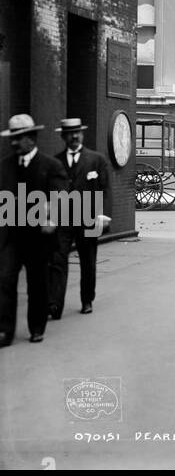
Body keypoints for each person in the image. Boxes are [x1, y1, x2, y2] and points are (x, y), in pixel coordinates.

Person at [0, 115, 66, 344]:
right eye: (13, 139)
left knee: (37, 283)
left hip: (39, 238)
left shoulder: (51, 166)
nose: (14, 143)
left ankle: (37, 327)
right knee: (5, 279)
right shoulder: (4, 166)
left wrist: (52, 219)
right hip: (10, 237)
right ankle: (4, 330)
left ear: (31, 138)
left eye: (18, 138)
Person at [48, 118, 112, 318]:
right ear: (63, 136)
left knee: (88, 260)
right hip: (63, 219)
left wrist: (103, 215)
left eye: (78, 133)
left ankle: (87, 300)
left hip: (88, 217)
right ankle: (55, 304)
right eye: (70, 133)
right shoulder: (55, 161)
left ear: (82, 135)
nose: (74, 136)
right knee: (58, 260)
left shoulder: (96, 160)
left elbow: (105, 189)